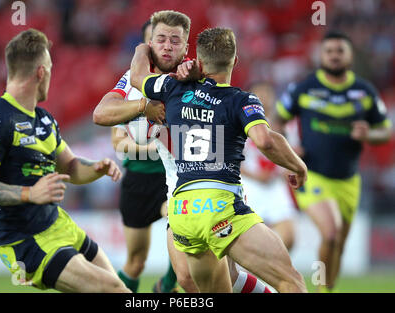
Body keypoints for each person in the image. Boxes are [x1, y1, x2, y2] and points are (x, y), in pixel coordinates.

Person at [95, 10, 272, 294]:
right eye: (161, 39)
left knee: (219, 274)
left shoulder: (194, 74)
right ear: (150, 43)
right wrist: (143, 107)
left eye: (175, 41)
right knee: (187, 277)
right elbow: (101, 113)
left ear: (186, 48)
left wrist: (193, 73)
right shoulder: (133, 79)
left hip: (210, 186)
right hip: (171, 186)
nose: (167, 46)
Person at [130, 27, 308, 292]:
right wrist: (298, 165)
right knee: (290, 281)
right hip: (219, 206)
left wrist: (142, 47)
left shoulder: (172, 87)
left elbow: (137, 76)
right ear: (235, 60)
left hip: (182, 213)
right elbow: (265, 140)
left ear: (199, 63)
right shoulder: (240, 100)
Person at [0, 29, 129, 293]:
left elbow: (71, 167)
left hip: (58, 223)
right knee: (112, 290)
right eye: (49, 67)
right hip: (25, 240)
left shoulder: (44, 119)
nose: (51, 74)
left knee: (121, 290)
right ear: (41, 72)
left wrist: (96, 168)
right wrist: (30, 193)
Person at [273, 31, 392, 292]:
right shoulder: (304, 89)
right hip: (312, 175)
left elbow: (385, 130)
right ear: (321, 55)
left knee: (337, 244)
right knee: (330, 233)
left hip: (349, 180)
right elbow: (276, 121)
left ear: (349, 55)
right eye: (329, 51)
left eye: (340, 51)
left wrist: (369, 134)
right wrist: (288, 148)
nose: (334, 56)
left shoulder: (365, 91)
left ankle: (327, 290)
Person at [102, 19, 178, 293]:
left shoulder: (177, 82)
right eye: (154, 41)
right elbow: (118, 142)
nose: (160, 48)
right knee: (135, 262)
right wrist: (153, 148)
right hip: (137, 180)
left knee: (184, 237)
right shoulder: (128, 89)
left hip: (169, 179)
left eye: (167, 42)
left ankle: (168, 285)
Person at [241, 82, 298, 251]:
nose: (264, 98)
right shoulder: (240, 121)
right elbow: (231, 160)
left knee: (289, 237)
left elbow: (293, 155)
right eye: (259, 94)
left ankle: (271, 270)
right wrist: (255, 176)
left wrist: (284, 172)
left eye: (267, 94)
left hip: (275, 186)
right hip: (249, 185)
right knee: (250, 239)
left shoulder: (286, 125)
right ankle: (253, 273)